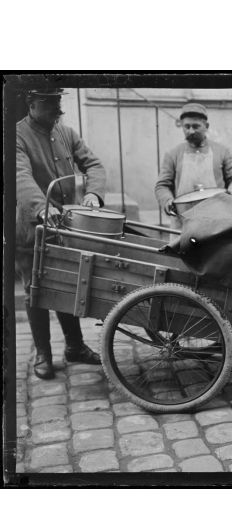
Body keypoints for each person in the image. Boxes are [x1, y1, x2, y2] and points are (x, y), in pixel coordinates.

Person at [16, 88, 106, 379]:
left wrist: (93, 194)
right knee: (35, 288)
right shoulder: (16, 135)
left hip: (64, 225)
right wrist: (41, 207)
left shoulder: (66, 132)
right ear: (31, 104)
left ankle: (75, 346)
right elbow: (20, 175)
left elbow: (93, 164)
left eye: (58, 100)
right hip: (32, 225)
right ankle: (43, 354)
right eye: (50, 102)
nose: (58, 107)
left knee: (66, 282)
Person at [155, 102, 232, 228]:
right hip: (183, 220)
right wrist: (167, 200)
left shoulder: (221, 151)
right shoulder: (173, 154)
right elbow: (162, 186)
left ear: (206, 126)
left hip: (216, 219)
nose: (190, 131)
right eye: (186, 126)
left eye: (196, 126)